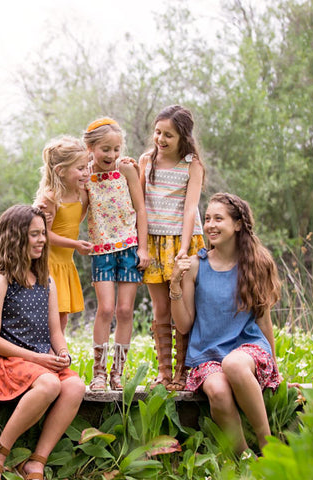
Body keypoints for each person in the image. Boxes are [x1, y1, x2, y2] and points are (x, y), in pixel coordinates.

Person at [0, 205, 86, 480]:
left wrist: (62, 352)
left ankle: (37, 460)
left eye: (43, 234)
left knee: (75, 386)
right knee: (50, 383)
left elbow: (55, 331)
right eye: (34, 234)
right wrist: (38, 359)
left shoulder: (45, 280)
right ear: (15, 237)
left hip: (35, 364)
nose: (42, 240)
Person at [170, 193, 282, 454]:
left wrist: (275, 366)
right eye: (207, 219)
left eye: (218, 219)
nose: (210, 225)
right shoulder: (197, 266)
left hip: (248, 349)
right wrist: (175, 284)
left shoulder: (256, 264)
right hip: (206, 356)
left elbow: (263, 320)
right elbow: (184, 325)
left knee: (233, 363)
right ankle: (245, 460)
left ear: (238, 224)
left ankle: (268, 445)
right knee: (218, 391)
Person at [139, 105, 205, 390]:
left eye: (169, 135)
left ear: (183, 138)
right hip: (153, 241)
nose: (161, 139)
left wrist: (185, 247)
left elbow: (191, 208)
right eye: (158, 132)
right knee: (161, 307)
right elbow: (137, 202)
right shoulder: (146, 161)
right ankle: (164, 372)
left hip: (182, 240)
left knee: (182, 305)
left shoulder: (192, 165)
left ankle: (182, 370)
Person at [82, 117, 150, 391]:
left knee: (124, 310)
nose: (111, 155)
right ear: (91, 148)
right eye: (105, 149)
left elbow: (141, 209)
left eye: (116, 149)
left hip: (130, 247)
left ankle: (117, 372)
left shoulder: (127, 171)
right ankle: (98, 372)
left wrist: (143, 247)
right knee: (106, 309)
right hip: (102, 251)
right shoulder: (85, 176)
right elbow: (81, 210)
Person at [34, 136, 93, 333]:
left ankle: (55, 354)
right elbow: (45, 236)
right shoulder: (51, 197)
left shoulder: (80, 193)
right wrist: (75, 244)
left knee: (62, 317)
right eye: (80, 168)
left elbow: (75, 219)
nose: (86, 173)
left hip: (65, 263)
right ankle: (47, 354)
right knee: (49, 316)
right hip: (49, 263)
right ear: (60, 171)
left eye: (86, 167)